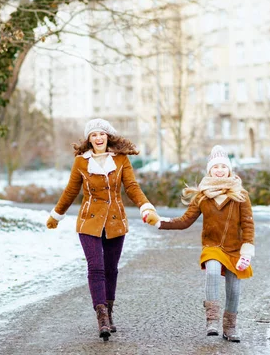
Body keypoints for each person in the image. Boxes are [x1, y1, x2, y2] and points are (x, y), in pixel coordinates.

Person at [46, 118, 160, 341]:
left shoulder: (121, 160)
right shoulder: (81, 162)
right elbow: (71, 191)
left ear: (108, 137)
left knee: (111, 269)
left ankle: (109, 310)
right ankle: (102, 318)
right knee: (95, 267)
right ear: (89, 139)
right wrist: (56, 215)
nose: (98, 138)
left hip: (116, 222)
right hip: (89, 222)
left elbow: (132, 188)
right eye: (93, 135)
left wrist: (146, 207)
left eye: (102, 134)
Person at [145, 145, 255, 342]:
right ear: (209, 170)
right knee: (212, 270)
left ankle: (230, 327)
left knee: (234, 289)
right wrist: (161, 222)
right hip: (212, 247)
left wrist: (246, 252)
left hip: (236, 249)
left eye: (223, 166)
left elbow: (248, 225)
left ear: (229, 169)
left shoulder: (241, 195)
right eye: (215, 167)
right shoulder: (203, 196)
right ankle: (212, 320)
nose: (219, 170)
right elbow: (185, 220)